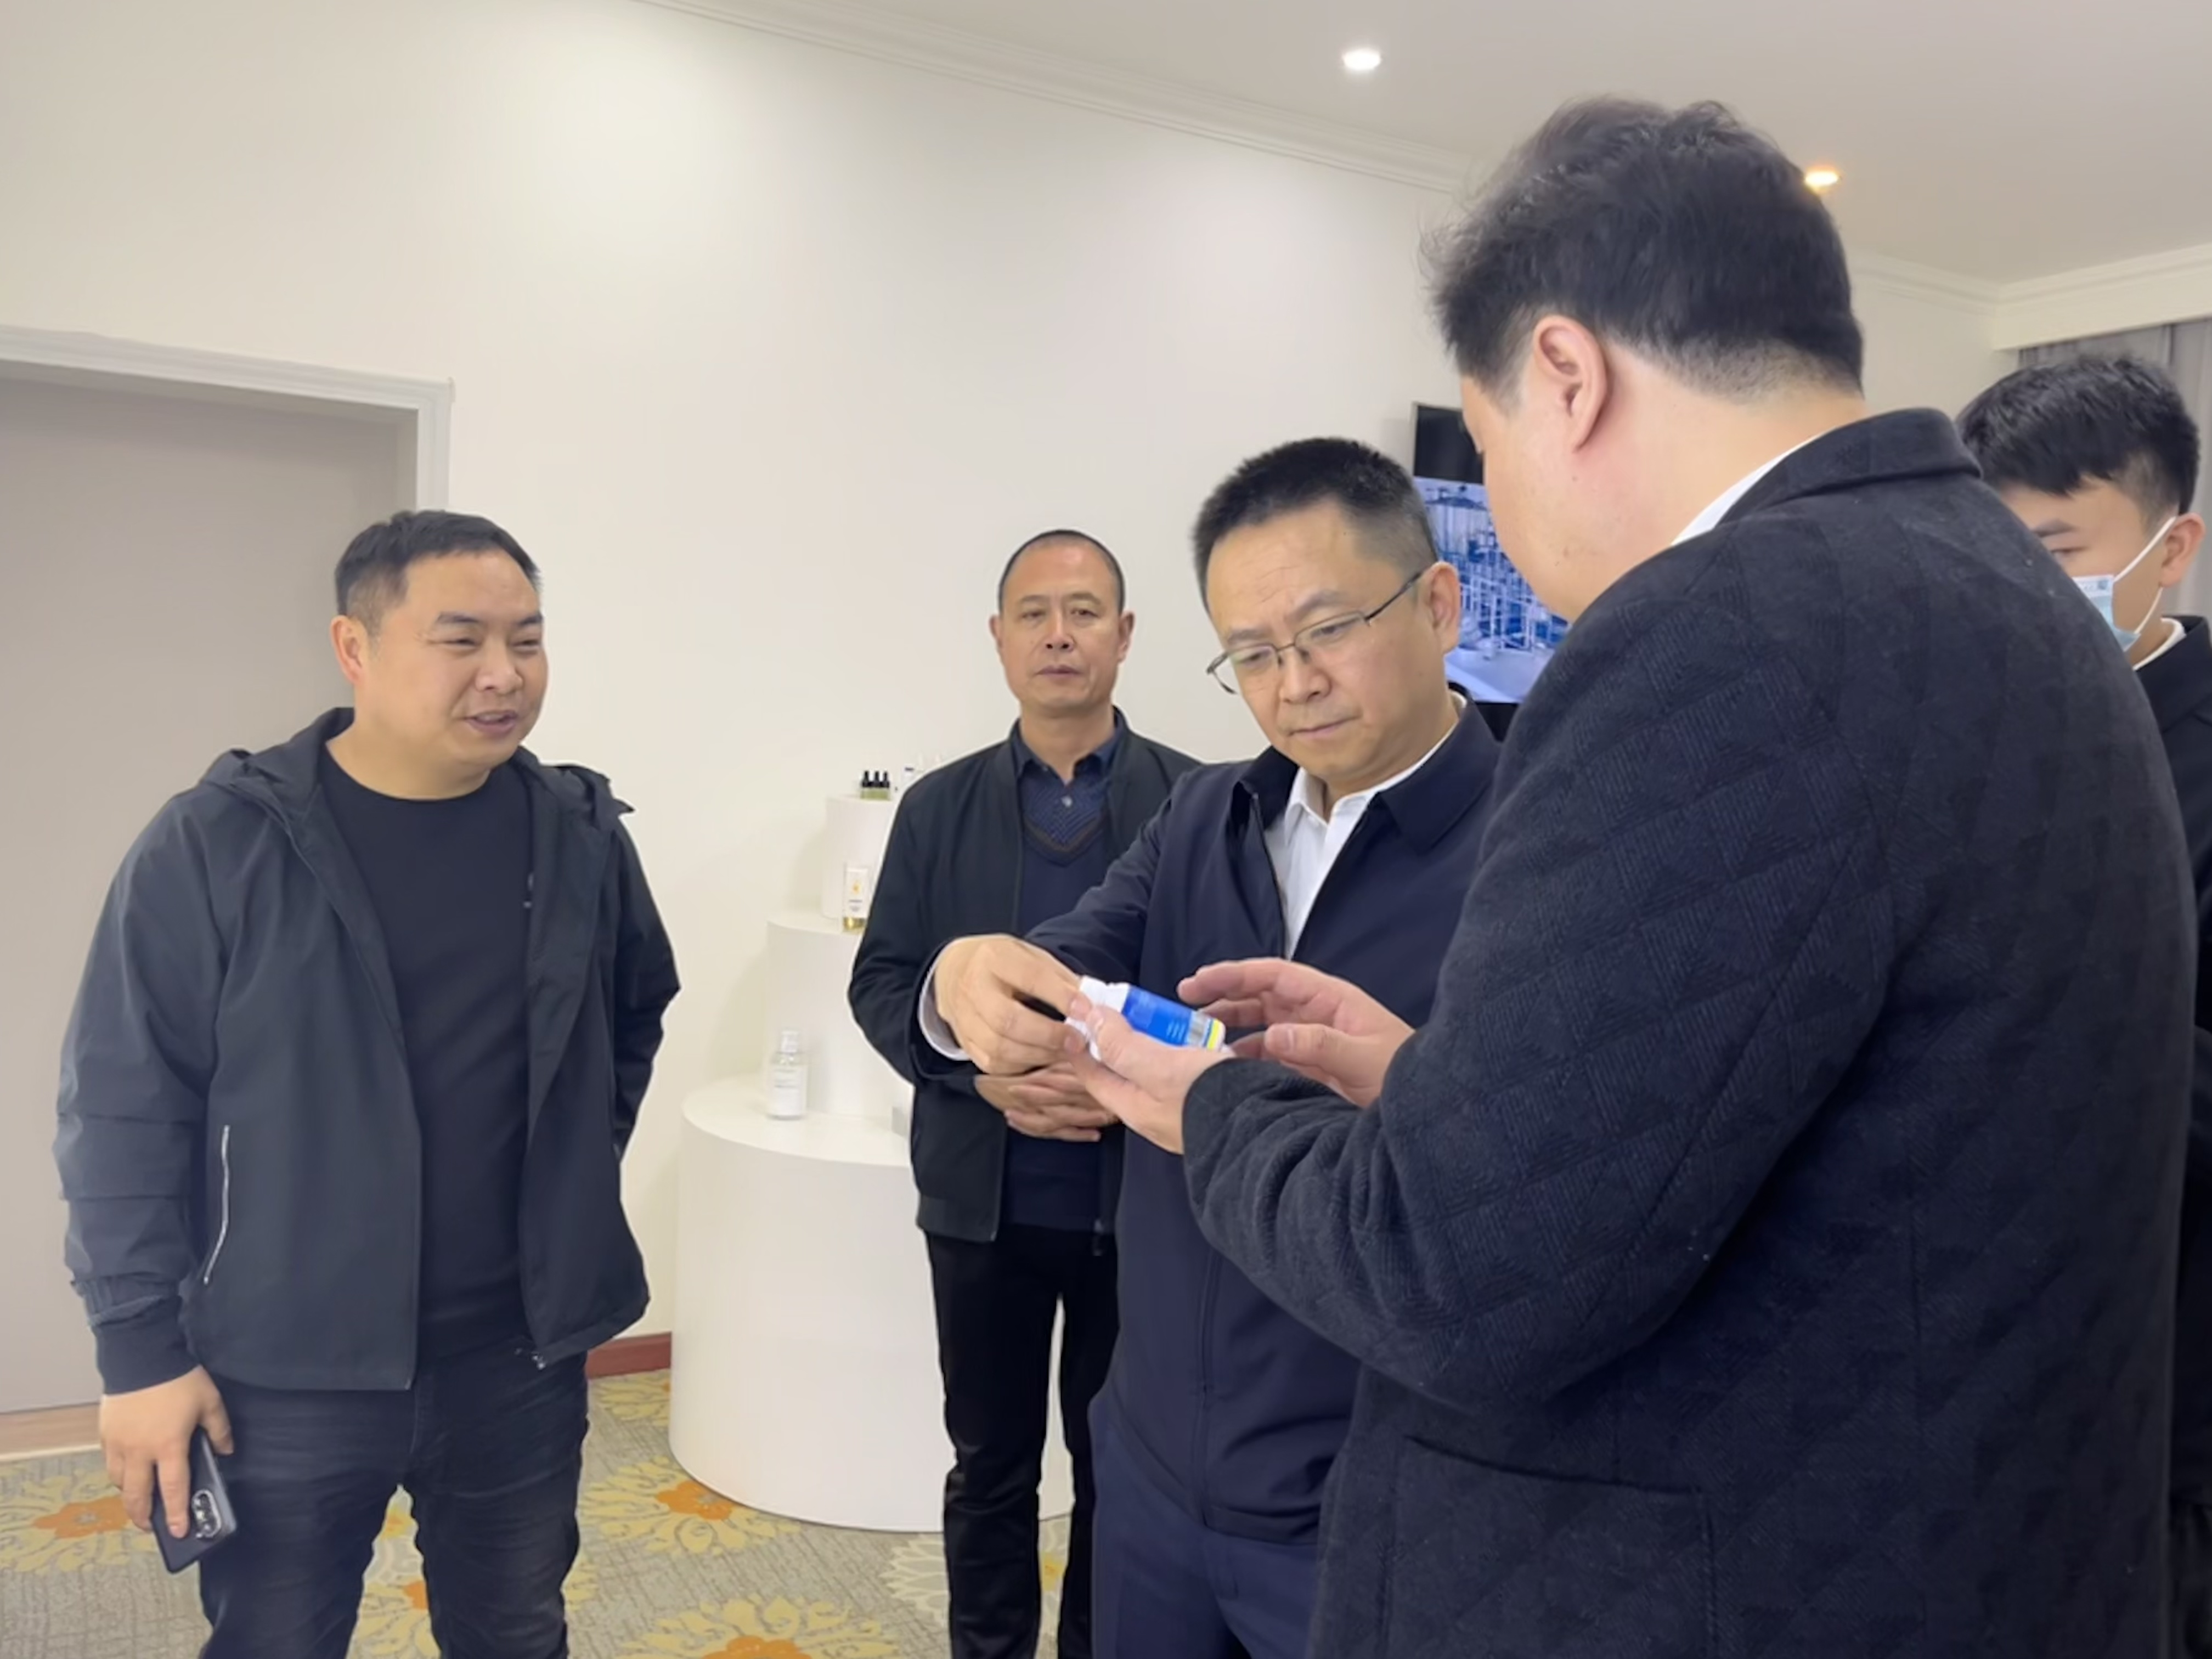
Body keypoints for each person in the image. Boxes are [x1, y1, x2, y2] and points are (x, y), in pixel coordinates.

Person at [991, 99, 2192, 1659]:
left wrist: (1210, 1101)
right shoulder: (2006, 603)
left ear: (1565, 375)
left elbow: (1451, 1276)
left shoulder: (1720, 635)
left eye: (1484, 449)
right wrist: (1438, 1088)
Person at [54, 510, 680, 1659]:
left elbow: (630, 1014)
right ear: (355, 648)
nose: (505, 674)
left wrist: (570, 1174)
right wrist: (140, 1351)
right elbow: (123, 1105)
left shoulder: (579, 836)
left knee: (516, 1633)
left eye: (528, 639)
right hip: (285, 1366)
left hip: (516, 1356)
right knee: (277, 1639)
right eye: (461, 640)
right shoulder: (217, 845)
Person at [922, 440, 1499, 1659]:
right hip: (1155, 1474)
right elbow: (1067, 961)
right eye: (1251, 653)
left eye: (1328, 630)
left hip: (1375, 1503)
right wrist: (965, 977)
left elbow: (1553, 1182)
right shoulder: (1204, 816)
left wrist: (1418, 1093)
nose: (1294, 685)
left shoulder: (1534, 853)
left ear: (1439, 606)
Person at [848, 530, 1194, 1659]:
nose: (1058, 635)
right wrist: (977, 1069)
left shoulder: (1199, 804)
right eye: (1034, 614)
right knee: (990, 1466)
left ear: (1125, 636)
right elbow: (883, 984)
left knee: (1120, 1472)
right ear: (998, 639)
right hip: (981, 1206)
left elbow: (1218, 995)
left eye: (1084, 612)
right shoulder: (936, 807)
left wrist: (1126, 1083)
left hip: (1141, 1206)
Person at [1957, 354, 2212, 1655]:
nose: (2017, 590)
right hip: (1969, 1377)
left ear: (2174, 550)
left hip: (2162, 1394)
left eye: (2057, 554)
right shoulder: (1958, 735)